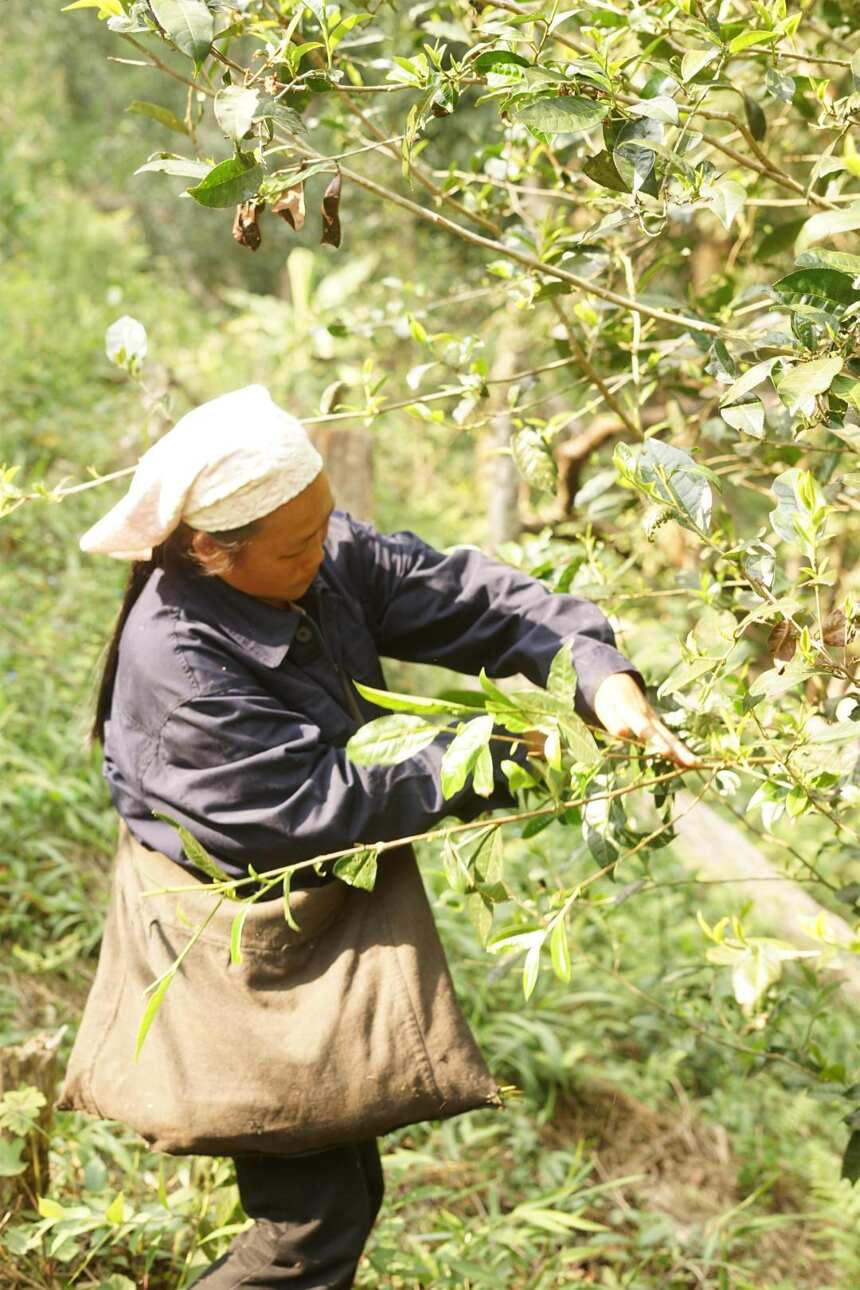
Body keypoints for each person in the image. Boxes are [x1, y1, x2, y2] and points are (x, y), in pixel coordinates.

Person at [63, 384, 699, 1288]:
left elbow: (468, 599)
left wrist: (597, 673)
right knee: (306, 1226)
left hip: (304, 913)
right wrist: (500, 754)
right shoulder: (182, 669)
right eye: (297, 545)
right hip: (234, 939)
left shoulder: (316, 559)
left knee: (339, 1192)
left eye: (326, 525)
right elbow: (319, 808)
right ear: (210, 550)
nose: (323, 552)